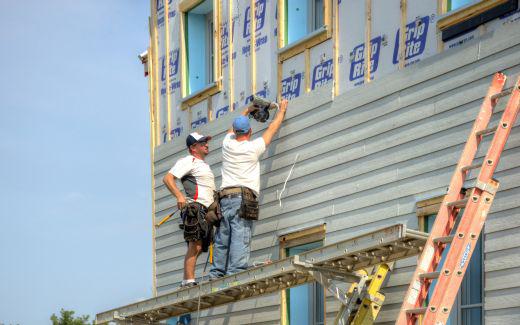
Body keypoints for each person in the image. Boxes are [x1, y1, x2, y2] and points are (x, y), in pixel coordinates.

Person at [209, 99, 288, 279]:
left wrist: (247, 110)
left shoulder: (227, 144)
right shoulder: (253, 147)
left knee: (223, 236)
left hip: (224, 199)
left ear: (235, 132)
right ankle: (235, 272)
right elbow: (272, 129)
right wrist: (281, 110)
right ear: (250, 131)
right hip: (242, 199)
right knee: (240, 234)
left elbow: (231, 130)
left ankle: (217, 273)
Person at [163, 132, 216, 287]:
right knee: (195, 245)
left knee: (201, 246)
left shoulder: (203, 164)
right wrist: (179, 196)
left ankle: (188, 279)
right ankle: (188, 281)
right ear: (193, 147)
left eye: (206, 142)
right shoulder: (189, 160)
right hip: (195, 207)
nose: (206, 144)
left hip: (207, 210)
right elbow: (167, 178)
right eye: (202, 143)